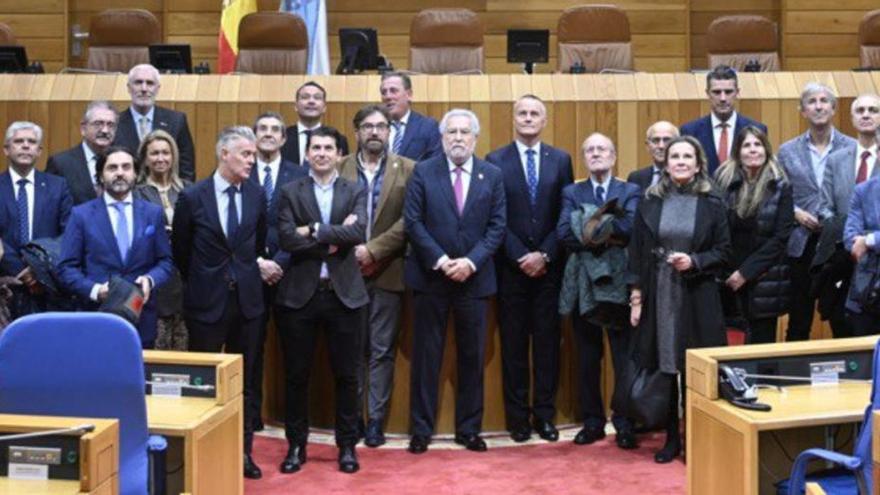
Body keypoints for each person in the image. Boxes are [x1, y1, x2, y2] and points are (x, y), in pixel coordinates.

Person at [405, 109, 506, 454]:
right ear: (442, 138)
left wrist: (471, 262)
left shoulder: (492, 175)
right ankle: (421, 429)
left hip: (474, 281)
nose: (459, 138)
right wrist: (442, 260)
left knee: (472, 358)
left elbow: (497, 227)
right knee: (426, 358)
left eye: (465, 132)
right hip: (431, 278)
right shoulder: (423, 171)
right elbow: (413, 223)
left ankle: (469, 429)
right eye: (452, 132)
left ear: (475, 138)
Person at [171, 126, 269, 479]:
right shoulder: (193, 197)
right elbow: (181, 252)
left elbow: (257, 247)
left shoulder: (257, 195)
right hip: (206, 305)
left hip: (248, 304)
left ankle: (243, 452)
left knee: (245, 383)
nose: (251, 161)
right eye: (246, 154)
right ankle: (204, 451)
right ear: (223, 154)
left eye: (254, 155)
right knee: (203, 382)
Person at [628, 135, 730, 463]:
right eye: (675, 156)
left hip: (698, 294)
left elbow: (725, 252)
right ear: (666, 163)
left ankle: (698, 438)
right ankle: (671, 438)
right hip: (660, 294)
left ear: (699, 164)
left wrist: (696, 261)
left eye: (688, 156)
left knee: (696, 369)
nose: (681, 162)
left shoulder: (713, 203)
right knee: (666, 367)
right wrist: (636, 297)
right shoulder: (650, 201)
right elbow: (638, 253)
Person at [275, 126, 368, 474]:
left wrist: (312, 229)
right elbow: (286, 239)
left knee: (347, 376)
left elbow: (358, 233)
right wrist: (333, 234)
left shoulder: (354, 189)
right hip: (300, 297)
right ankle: (296, 446)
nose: (322, 153)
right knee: (296, 376)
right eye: (316, 147)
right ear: (307, 153)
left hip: (344, 297)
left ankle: (346, 446)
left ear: (339, 154)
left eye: (329, 147)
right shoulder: (290, 191)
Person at [485, 95, 573, 443]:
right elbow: (494, 217)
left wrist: (545, 255)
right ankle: (518, 418)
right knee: (514, 348)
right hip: (511, 269)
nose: (528, 118)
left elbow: (565, 214)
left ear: (544, 120)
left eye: (534, 113)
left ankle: (545, 416)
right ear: (513, 119)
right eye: (522, 113)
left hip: (550, 271)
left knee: (548, 347)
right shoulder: (495, 160)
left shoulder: (560, 159)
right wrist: (521, 255)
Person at [337, 104, 415, 447]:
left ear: (390, 132)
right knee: (352, 351)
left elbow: (411, 219)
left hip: (388, 272)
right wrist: (354, 250)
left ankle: (376, 422)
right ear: (356, 132)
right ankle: (352, 418)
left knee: (382, 351)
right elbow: (327, 212)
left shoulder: (409, 170)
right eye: (367, 126)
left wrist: (375, 250)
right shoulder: (338, 169)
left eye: (381, 126)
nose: (374, 132)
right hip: (345, 272)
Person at [557, 133, 640, 449]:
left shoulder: (629, 189)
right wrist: (607, 222)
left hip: (619, 286)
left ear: (614, 155)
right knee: (587, 358)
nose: (595, 154)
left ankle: (624, 422)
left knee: (623, 360)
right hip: (583, 288)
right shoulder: (571, 191)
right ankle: (592, 422)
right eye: (589, 149)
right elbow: (566, 232)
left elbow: (630, 228)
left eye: (601, 149)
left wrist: (588, 223)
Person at [58, 146, 173, 348]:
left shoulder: (152, 213)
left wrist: (150, 279)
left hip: (141, 316)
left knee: (138, 378)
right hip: (96, 315)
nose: (120, 172)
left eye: (126, 167)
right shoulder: (81, 215)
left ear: (136, 174)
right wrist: (95, 290)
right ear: (101, 176)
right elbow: (66, 268)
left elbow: (165, 261)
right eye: (112, 168)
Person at [777, 83, 856, 341]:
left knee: (840, 316)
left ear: (833, 109)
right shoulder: (787, 151)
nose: (819, 106)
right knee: (799, 318)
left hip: (839, 243)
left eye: (824, 101)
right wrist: (796, 213)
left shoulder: (853, 148)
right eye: (812, 101)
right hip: (802, 242)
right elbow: (777, 195)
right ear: (802, 110)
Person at [247, 111, 307, 432]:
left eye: (275, 130)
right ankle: (252, 416)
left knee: (292, 351)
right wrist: (258, 262)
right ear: (254, 136)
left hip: (289, 273)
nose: (268, 134)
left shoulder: (299, 174)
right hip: (250, 274)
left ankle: (290, 419)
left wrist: (279, 262)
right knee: (252, 350)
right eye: (263, 128)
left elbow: (303, 225)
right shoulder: (242, 170)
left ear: (285, 138)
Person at [714, 126, 794, 344]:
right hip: (727, 279)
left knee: (760, 349)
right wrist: (730, 272)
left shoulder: (781, 186)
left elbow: (781, 237)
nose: (752, 150)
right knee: (727, 347)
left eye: (757, 144)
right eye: (746, 145)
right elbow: (716, 230)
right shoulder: (723, 183)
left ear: (766, 149)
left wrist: (745, 273)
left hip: (764, 279)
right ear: (738, 151)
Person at [820, 93, 880, 338]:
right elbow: (826, 207)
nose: (866, 115)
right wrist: (851, 238)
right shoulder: (837, 160)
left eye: (873, 110)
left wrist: (867, 240)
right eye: (861, 110)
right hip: (847, 262)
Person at [0, 121, 73, 315]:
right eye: (19, 141)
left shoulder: (58, 186)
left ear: (39, 151)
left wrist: (38, 270)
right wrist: (22, 271)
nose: (25, 145)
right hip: (6, 286)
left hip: (49, 287)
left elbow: (68, 233)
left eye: (31, 142)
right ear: (6, 150)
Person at [134, 130, 191, 350]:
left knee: (183, 348)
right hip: (153, 277)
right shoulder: (137, 192)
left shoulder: (187, 188)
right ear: (145, 158)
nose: (161, 158)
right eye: (154, 153)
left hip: (184, 278)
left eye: (166, 153)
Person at [680, 65, 768, 176]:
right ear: (707, 94)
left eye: (728, 92)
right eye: (717, 92)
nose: (723, 98)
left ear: (737, 93)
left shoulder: (757, 129)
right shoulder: (690, 131)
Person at [114, 64, 196, 181]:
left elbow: (186, 168)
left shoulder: (176, 121)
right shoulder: (115, 123)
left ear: (157, 88)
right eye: (138, 82)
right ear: (128, 88)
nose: (144, 89)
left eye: (150, 83)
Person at [46, 101, 118, 205]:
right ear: (83, 128)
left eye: (111, 125)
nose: (105, 130)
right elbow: (50, 206)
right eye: (98, 124)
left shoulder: (124, 162)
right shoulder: (61, 163)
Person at [280, 81, 349, 166]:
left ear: (324, 107)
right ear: (296, 106)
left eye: (317, 98)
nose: (311, 101)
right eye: (305, 97)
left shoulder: (339, 139)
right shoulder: (282, 137)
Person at [380, 72, 443, 162]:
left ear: (409, 95)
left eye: (393, 91)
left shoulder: (428, 127)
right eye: (384, 92)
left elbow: (434, 165)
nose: (388, 96)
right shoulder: (376, 127)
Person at [628, 121, 679, 194]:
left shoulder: (685, 176)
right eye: (656, 140)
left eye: (667, 140)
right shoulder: (636, 178)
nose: (661, 146)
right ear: (648, 146)